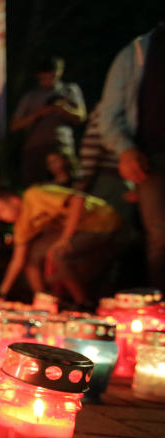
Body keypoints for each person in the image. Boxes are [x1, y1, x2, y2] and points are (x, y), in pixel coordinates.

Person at [98, 23, 165, 290]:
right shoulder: (138, 52)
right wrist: (124, 148)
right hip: (154, 158)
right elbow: (109, 114)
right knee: (161, 237)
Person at [0, 186, 121, 306]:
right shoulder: (21, 225)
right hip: (76, 229)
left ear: (14, 200)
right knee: (32, 256)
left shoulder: (33, 196)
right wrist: (2, 291)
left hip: (101, 221)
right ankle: (43, 301)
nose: (2, 217)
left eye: (2, 210)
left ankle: (83, 303)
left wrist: (65, 238)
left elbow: (77, 199)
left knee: (59, 256)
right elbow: (18, 260)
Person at [11, 57, 86, 186]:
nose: (47, 81)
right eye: (43, 77)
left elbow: (81, 116)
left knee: (66, 184)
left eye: (51, 76)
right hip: (34, 148)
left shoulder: (69, 90)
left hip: (60, 145)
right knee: (34, 186)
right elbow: (14, 125)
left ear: (58, 73)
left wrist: (61, 108)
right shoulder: (30, 96)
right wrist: (39, 113)